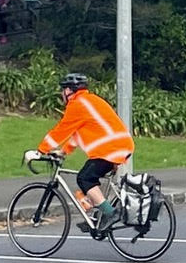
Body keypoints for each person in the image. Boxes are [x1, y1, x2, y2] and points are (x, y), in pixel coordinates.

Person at [24, 74, 133, 232]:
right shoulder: (90, 101)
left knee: (84, 178)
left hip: (111, 149)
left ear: (69, 90)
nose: (62, 94)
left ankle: (110, 213)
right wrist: (63, 152)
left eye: (63, 90)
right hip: (118, 146)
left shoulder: (77, 104)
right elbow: (77, 135)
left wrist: (40, 151)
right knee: (88, 180)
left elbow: (61, 130)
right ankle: (98, 216)